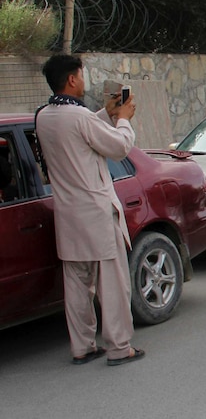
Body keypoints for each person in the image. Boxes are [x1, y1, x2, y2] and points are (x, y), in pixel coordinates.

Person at [35, 54, 145, 366]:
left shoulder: (45, 115)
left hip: (68, 215)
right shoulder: (79, 117)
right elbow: (118, 146)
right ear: (72, 79)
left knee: (77, 286)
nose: (84, 82)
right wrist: (122, 117)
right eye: (81, 76)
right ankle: (120, 347)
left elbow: (80, 131)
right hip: (96, 211)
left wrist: (105, 114)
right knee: (112, 284)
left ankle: (82, 346)